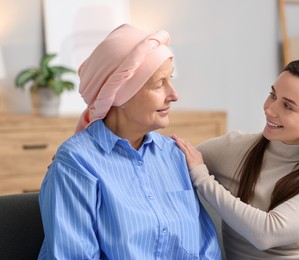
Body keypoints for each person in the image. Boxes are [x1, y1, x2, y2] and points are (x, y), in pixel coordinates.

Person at [38, 24, 221, 259]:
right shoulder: (75, 163)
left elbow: (206, 249)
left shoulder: (174, 155)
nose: (174, 95)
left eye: (171, 79)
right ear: (120, 94)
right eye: (159, 84)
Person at [173, 58, 299, 259]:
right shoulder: (233, 147)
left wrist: (203, 179)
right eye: (272, 95)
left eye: (288, 106)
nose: (270, 109)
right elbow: (172, 160)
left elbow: (266, 234)